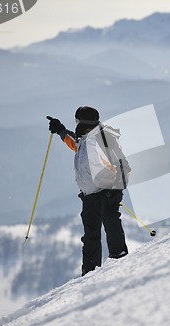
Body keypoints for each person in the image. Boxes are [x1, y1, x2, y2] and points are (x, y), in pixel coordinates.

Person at [48, 106, 131, 276]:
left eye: (77, 121)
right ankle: (90, 271)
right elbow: (74, 143)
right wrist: (60, 130)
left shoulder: (104, 139)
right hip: (89, 195)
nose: (76, 124)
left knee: (110, 221)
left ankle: (120, 257)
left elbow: (122, 164)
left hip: (106, 192)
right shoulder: (84, 139)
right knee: (91, 235)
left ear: (83, 122)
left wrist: (116, 190)